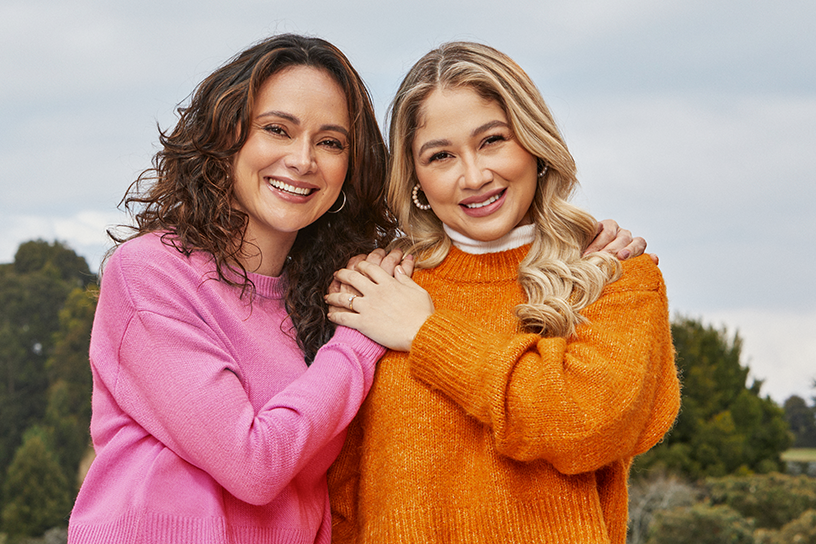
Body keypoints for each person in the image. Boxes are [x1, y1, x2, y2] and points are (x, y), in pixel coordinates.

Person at [325, 42, 680, 544]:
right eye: (441, 155)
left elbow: (586, 427)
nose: (474, 176)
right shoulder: (379, 286)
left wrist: (426, 334)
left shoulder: (617, 277)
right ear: (416, 178)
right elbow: (342, 492)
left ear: (534, 144)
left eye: (492, 140)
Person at [67, 34, 399, 544]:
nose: (303, 159)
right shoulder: (151, 273)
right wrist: (362, 338)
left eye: (331, 142)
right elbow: (254, 464)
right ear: (228, 137)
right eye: (277, 129)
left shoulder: (330, 297)